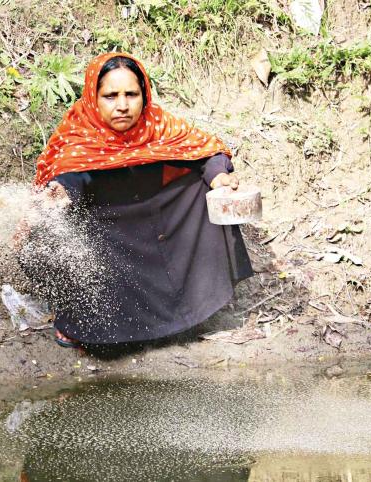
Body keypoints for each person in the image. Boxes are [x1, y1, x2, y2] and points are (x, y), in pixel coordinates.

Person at [21, 52, 253, 348]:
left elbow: (205, 152)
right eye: (110, 96)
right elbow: (72, 173)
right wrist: (61, 191)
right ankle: (84, 323)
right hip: (107, 236)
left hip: (158, 226)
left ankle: (186, 314)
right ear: (93, 97)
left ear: (145, 95)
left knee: (202, 185)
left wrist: (218, 175)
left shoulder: (157, 125)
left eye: (131, 94)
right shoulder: (79, 135)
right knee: (55, 222)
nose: (122, 105)